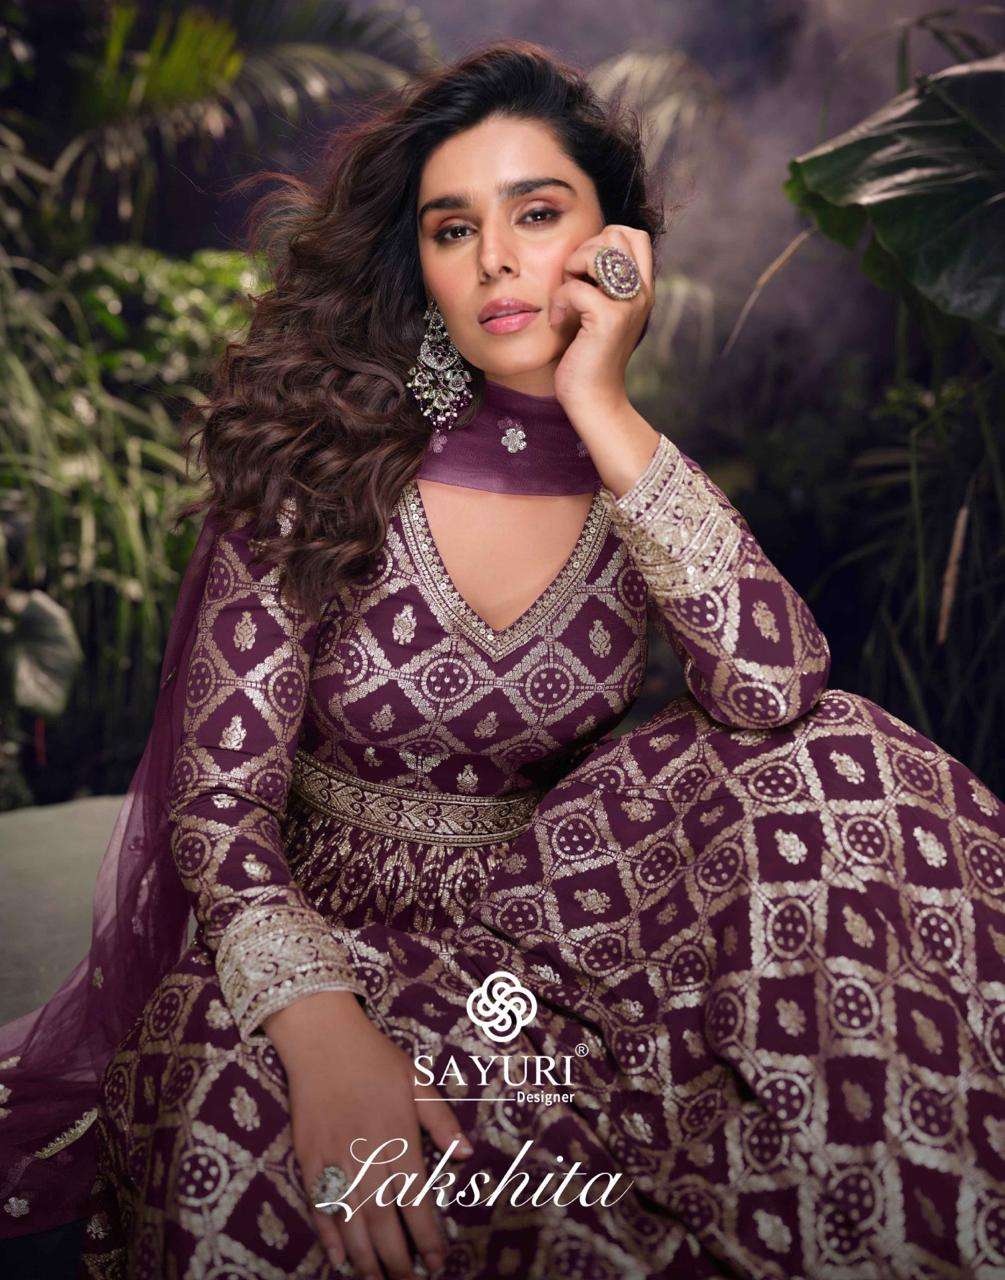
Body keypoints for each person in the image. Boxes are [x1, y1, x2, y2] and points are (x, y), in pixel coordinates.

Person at [2, 38, 1003, 1280]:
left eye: (536, 212)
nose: (495, 261)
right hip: (310, 936)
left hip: (546, 938)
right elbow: (217, 818)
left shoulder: (634, 477)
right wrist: (323, 1030)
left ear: (613, 244)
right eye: (452, 228)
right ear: (417, 261)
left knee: (841, 761)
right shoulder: (320, 460)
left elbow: (774, 688)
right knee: (263, 1148)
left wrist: (602, 399)